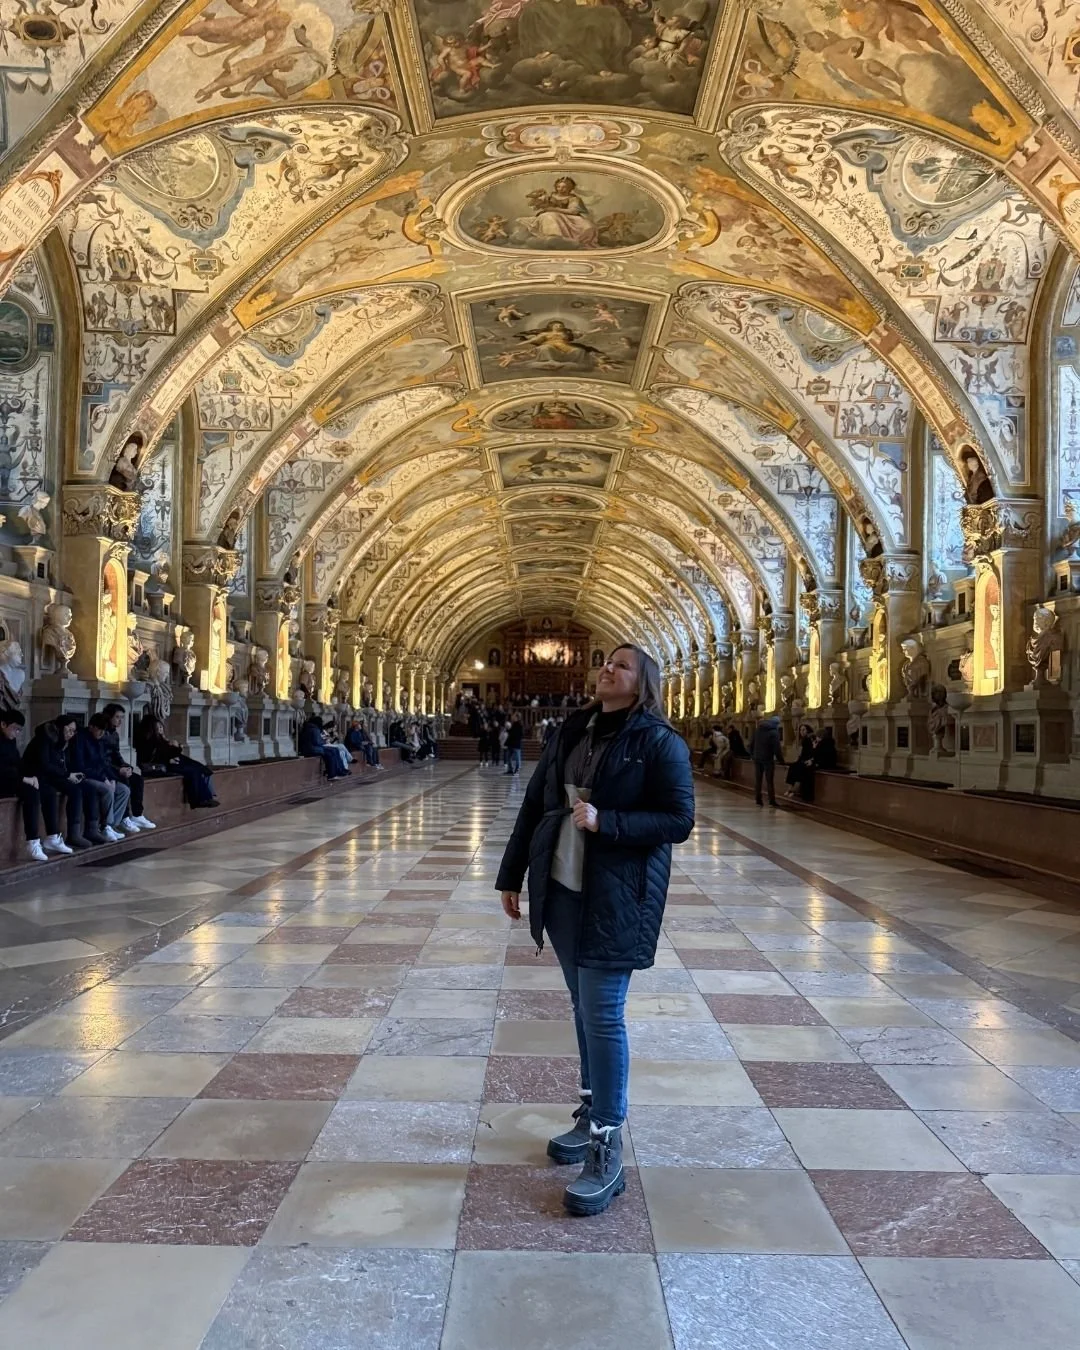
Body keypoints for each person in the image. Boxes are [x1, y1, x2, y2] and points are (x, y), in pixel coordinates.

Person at [497, 645, 695, 1217]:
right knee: (583, 1010)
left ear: (643, 684)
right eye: (605, 662)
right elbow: (535, 803)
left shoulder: (660, 742)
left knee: (603, 1012)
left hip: (617, 894)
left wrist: (608, 821)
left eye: (622, 666)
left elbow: (679, 820)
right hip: (560, 889)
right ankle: (590, 1117)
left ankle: (608, 1147)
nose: (607, 669)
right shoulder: (572, 729)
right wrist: (512, 875)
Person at [0, 710, 73, 861]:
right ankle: (32, 841)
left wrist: (30, 776)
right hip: (4, 782)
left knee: (47, 789)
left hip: (13, 779)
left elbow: (17, 762)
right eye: (15, 729)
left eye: (20, 730)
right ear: (3, 724)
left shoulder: (10, 740)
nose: (17, 733)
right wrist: (24, 779)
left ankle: (52, 836)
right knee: (31, 791)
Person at [21, 714, 91, 849]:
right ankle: (51, 836)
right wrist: (66, 774)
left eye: (73, 731)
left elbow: (61, 763)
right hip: (36, 776)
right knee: (49, 793)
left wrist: (71, 774)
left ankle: (74, 834)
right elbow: (44, 764)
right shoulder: (44, 738)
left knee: (76, 790)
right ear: (60, 727)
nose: (71, 734)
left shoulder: (63, 741)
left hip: (52, 775)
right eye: (69, 729)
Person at [133, 713, 218, 806]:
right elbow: (155, 757)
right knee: (193, 771)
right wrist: (174, 750)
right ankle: (199, 800)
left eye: (161, 727)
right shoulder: (149, 742)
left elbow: (169, 753)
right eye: (158, 727)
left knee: (201, 769)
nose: (160, 729)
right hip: (164, 766)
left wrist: (176, 746)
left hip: (173, 761)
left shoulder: (161, 739)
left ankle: (207, 797)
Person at [71, 714, 129, 844]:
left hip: (101, 776)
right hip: (85, 776)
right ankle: (105, 826)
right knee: (107, 790)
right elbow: (80, 766)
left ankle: (111, 825)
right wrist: (104, 779)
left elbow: (104, 764)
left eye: (104, 731)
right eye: (100, 730)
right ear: (91, 727)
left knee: (124, 790)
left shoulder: (101, 740)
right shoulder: (80, 739)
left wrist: (111, 778)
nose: (102, 733)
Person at [100, 703, 156, 832]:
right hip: (106, 770)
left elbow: (116, 755)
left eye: (122, 717)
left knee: (137, 779)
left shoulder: (114, 734)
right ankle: (124, 818)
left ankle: (137, 815)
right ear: (109, 717)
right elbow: (102, 759)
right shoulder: (102, 733)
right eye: (117, 717)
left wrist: (126, 766)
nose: (120, 721)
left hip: (114, 767)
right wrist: (118, 770)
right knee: (124, 781)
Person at [298, 714, 349, 779]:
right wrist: (324, 741)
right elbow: (317, 742)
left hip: (310, 748)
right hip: (313, 749)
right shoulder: (315, 729)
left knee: (334, 750)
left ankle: (339, 770)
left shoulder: (309, 728)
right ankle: (333, 773)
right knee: (331, 753)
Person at [749, 714, 784, 807]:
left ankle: (758, 799)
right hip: (768, 759)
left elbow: (751, 743)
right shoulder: (774, 732)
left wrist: (752, 755)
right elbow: (777, 749)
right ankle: (771, 801)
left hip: (757, 758)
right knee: (769, 780)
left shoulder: (758, 730)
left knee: (758, 780)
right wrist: (781, 761)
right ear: (776, 724)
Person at [785, 722, 817, 799]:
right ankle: (790, 788)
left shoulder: (809, 739)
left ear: (808, 731)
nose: (801, 732)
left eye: (803, 730)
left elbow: (810, 752)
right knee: (792, 767)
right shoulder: (803, 740)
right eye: (800, 730)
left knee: (799, 769)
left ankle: (793, 790)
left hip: (808, 761)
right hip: (803, 759)